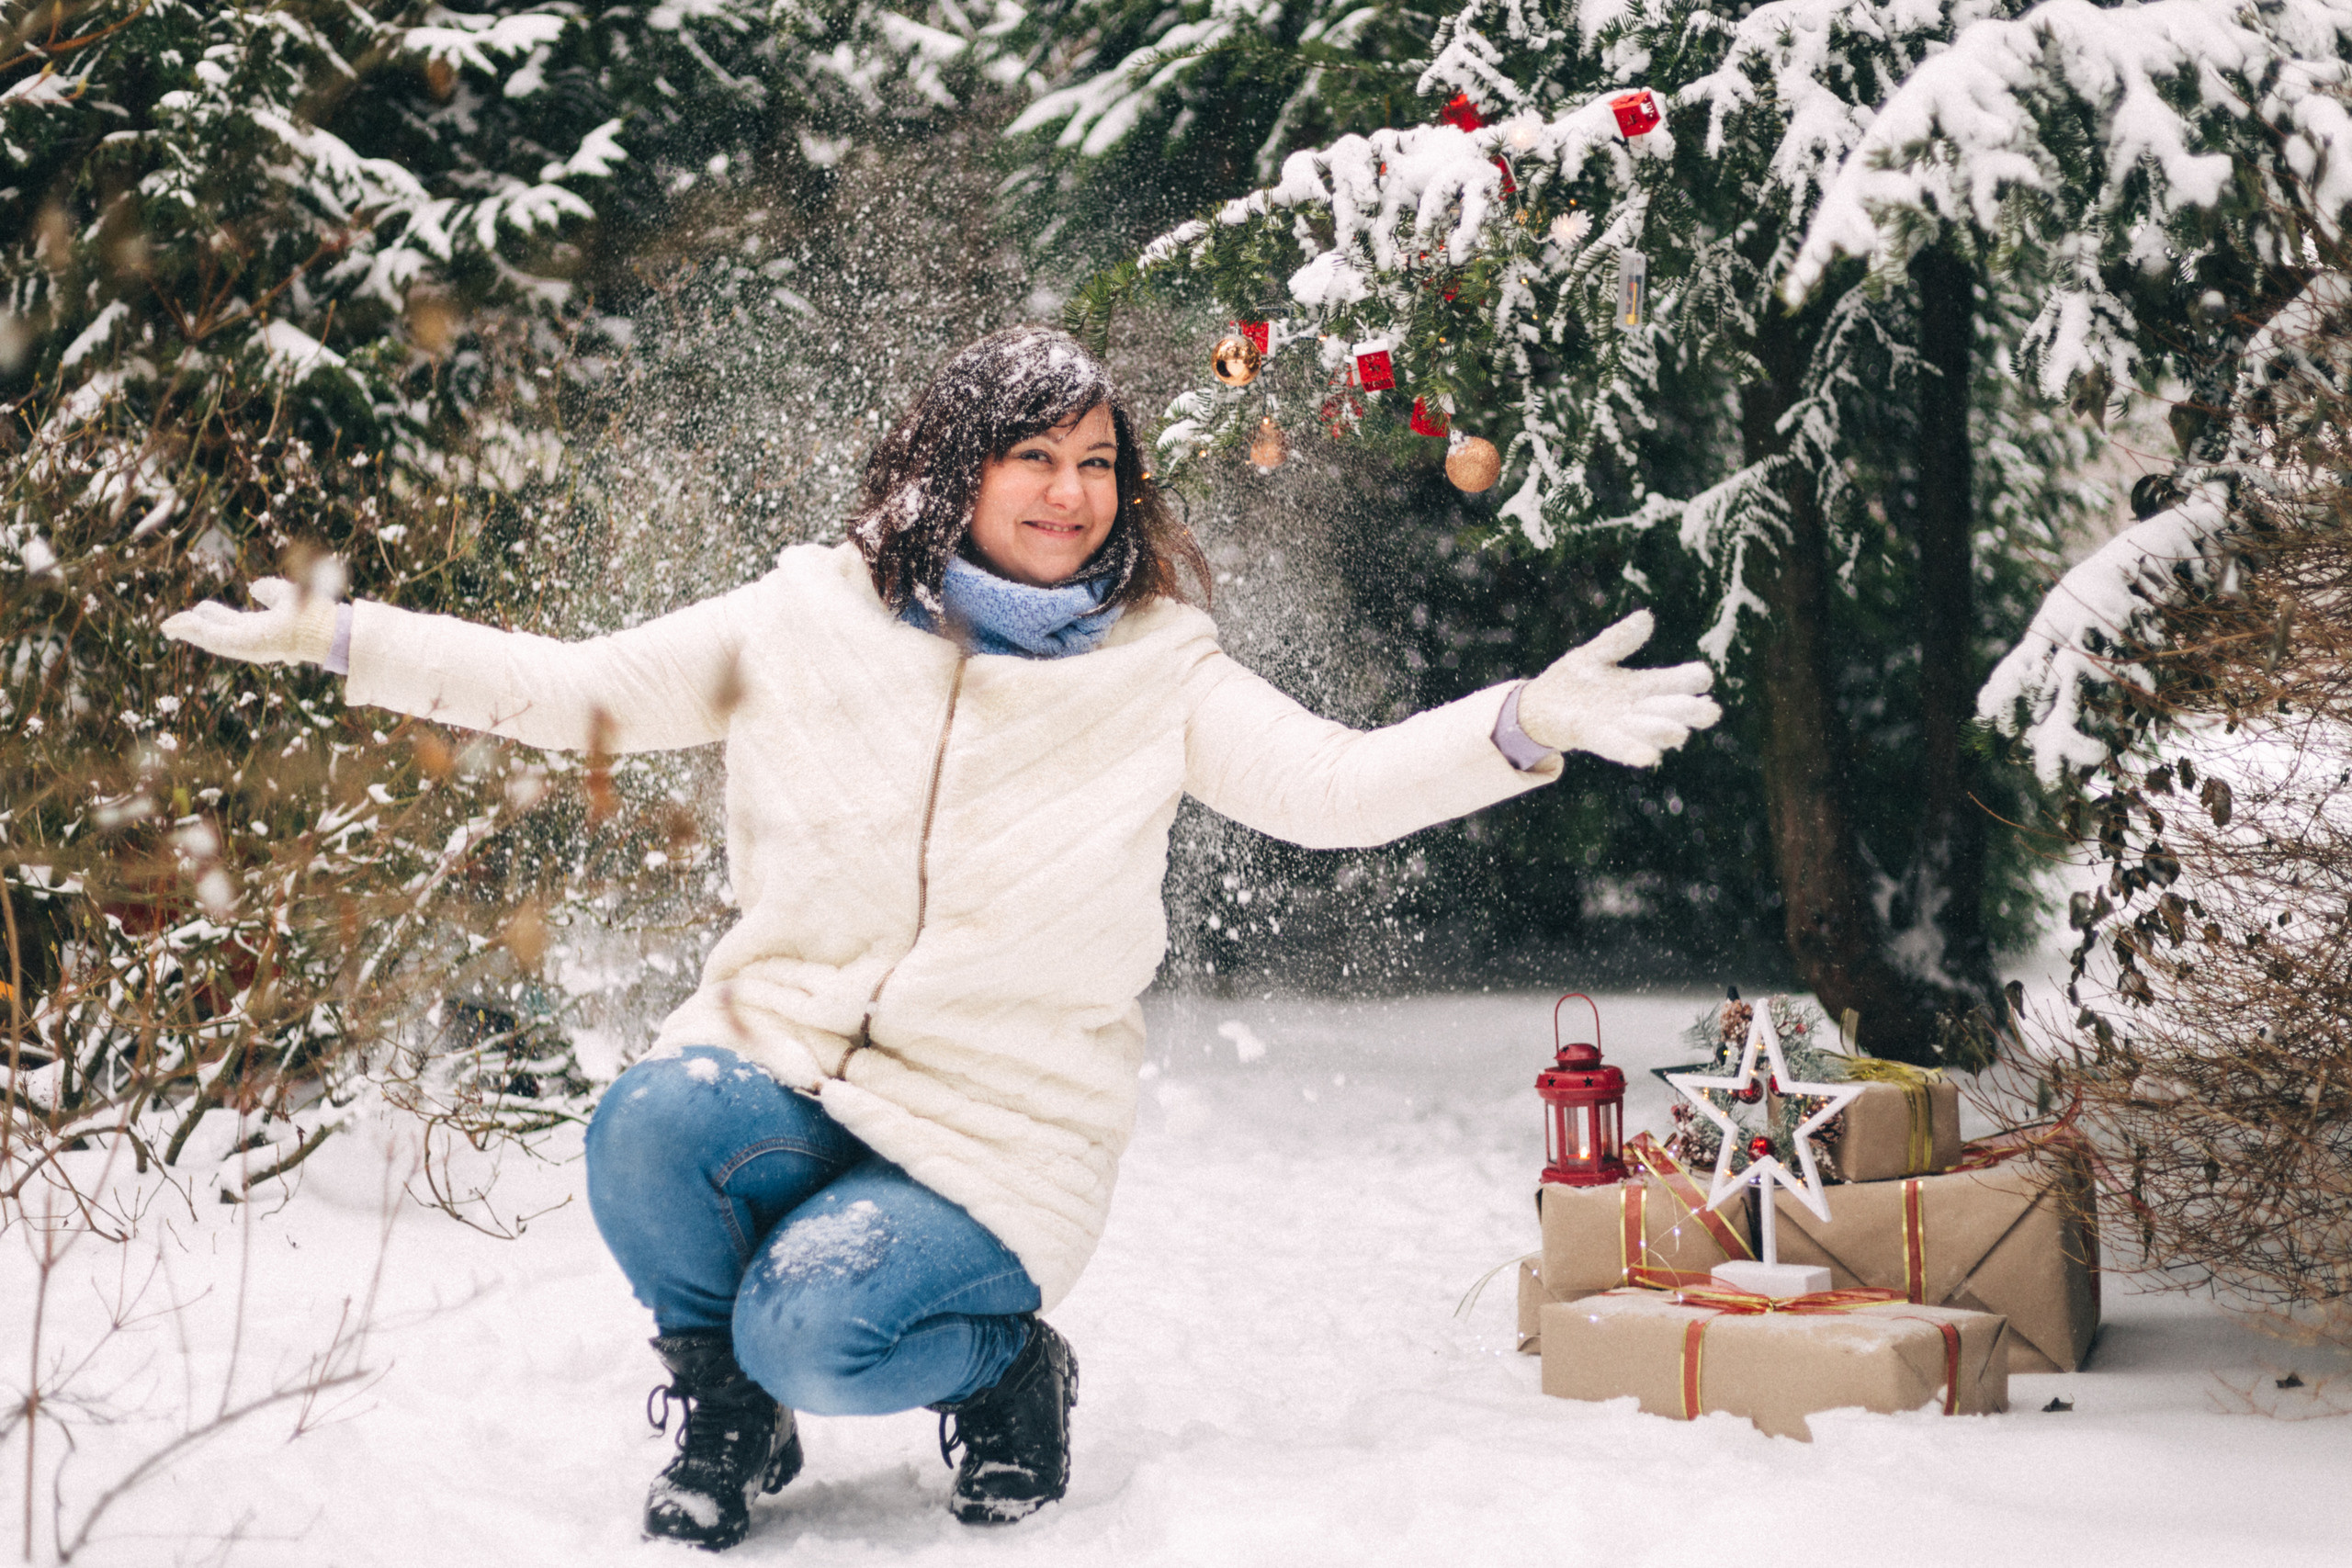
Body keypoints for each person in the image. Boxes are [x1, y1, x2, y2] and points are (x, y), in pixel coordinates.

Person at [163, 325, 1719, 1549]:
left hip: (995, 1133)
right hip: (790, 1068)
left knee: (817, 1330)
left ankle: (1002, 1370)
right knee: (649, 1122)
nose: (1069, 492)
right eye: (1031, 457)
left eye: (1097, 463)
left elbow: (1329, 787)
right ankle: (726, 1415)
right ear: (949, 473)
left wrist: (1518, 726)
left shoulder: (1159, 669)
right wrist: (340, 637)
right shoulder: (803, 618)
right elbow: (578, 690)